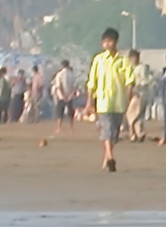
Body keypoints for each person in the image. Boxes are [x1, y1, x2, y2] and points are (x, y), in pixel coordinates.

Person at [86, 28, 135, 172]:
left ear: (116, 42)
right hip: (103, 102)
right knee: (106, 130)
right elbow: (91, 82)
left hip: (119, 102)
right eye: (105, 42)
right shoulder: (98, 60)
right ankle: (111, 158)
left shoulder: (123, 61)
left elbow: (130, 80)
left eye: (110, 41)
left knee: (114, 134)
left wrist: (128, 97)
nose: (108, 44)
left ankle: (106, 157)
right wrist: (89, 102)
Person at [51, 60, 79, 134]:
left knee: (60, 112)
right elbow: (74, 87)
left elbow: (59, 86)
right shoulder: (72, 74)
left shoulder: (59, 74)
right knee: (70, 112)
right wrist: (70, 95)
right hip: (70, 96)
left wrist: (63, 96)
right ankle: (71, 128)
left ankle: (59, 128)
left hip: (61, 96)